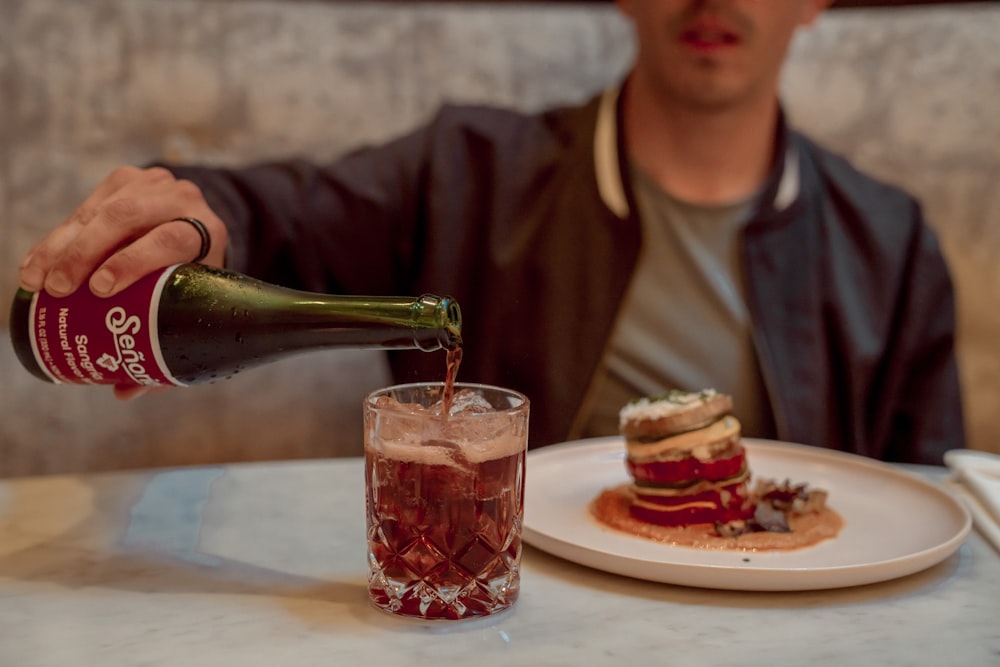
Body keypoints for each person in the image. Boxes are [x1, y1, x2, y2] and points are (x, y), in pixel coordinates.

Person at [16, 0, 964, 464]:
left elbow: (930, 509)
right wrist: (188, 221)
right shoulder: (468, 170)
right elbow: (262, 214)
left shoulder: (890, 241)